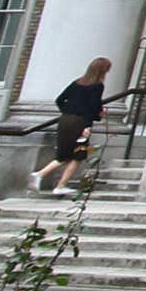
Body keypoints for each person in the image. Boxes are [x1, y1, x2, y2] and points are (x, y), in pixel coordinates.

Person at [35, 57, 109, 194]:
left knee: (65, 154)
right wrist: (92, 121)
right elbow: (93, 106)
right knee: (78, 155)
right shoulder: (97, 86)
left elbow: (59, 100)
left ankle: (44, 177)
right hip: (80, 123)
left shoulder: (76, 83)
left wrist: (69, 111)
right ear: (103, 71)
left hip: (65, 120)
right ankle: (56, 184)